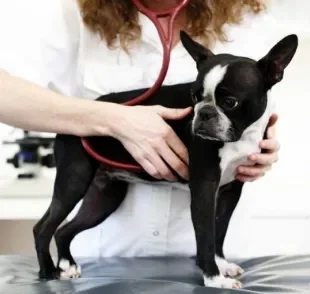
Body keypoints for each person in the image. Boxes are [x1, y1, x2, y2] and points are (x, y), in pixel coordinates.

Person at [0, 0, 280, 258]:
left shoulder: (251, 18)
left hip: (221, 251)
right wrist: (115, 119)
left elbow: (256, 110)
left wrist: (258, 149)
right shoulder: (71, 12)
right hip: (108, 255)